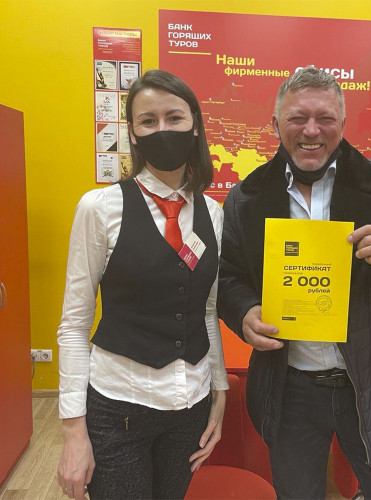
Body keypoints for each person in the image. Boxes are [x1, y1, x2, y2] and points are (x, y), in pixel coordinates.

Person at [217, 66, 371, 499]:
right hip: (290, 391)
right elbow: (229, 276)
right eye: (297, 118)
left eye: (325, 118)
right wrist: (244, 312)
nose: (311, 130)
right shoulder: (245, 197)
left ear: (343, 124)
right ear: (275, 124)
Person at [57, 69, 228, 500]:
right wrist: (73, 432)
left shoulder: (213, 213)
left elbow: (207, 310)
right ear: (132, 132)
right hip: (119, 406)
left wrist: (220, 392)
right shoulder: (99, 208)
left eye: (175, 117)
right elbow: (74, 326)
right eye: (148, 121)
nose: (162, 129)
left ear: (195, 125)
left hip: (191, 406)